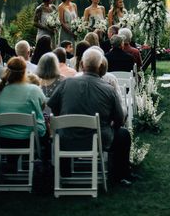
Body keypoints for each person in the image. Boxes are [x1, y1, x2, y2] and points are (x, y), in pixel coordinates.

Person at [48, 46, 133, 186]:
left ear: (81, 65)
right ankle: (120, 175)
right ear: (101, 66)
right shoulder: (108, 89)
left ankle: (64, 172)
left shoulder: (66, 83)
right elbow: (119, 119)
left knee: (62, 130)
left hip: (67, 138)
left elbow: (53, 106)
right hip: (98, 139)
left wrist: (63, 119)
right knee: (123, 134)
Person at [0, 56, 47, 150]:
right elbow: (42, 107)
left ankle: (12, 162)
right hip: (28, 139)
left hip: (2, 138)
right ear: (25, 72)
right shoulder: (34, 90)